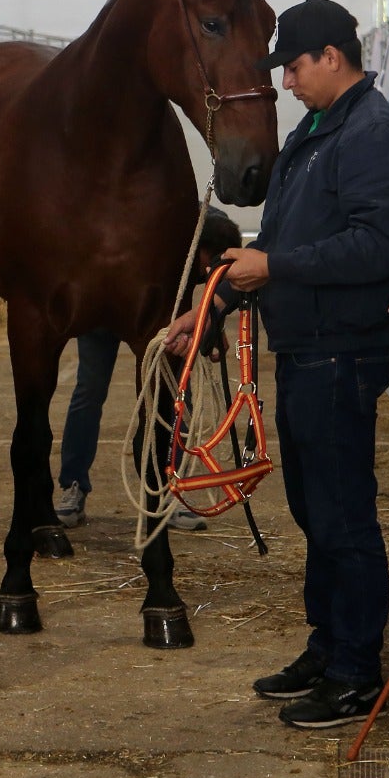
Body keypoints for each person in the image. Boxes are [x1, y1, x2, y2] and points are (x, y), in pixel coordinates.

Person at [165, 0, 389, 730]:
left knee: (342, 514)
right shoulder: (319, 130)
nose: (286, 82)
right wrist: (210, 307)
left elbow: (377, 248)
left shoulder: (370, 137)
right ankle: (329, 644)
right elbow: (281, 246)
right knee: (316, 510)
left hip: (341, 350)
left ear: (332, 57)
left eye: (295, 66)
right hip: (310, 348)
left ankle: (355, 673)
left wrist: (273, 265)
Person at [55, 205, 244, 532]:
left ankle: (172, 489)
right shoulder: (150, 222)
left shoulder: (196, 220)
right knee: (90, 390)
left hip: (147, 313)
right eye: (205, 265)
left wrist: (212, 326)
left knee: (171, 389)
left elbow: (212, 287)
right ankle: (73, 484)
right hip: (101, 307)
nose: (203, 275)